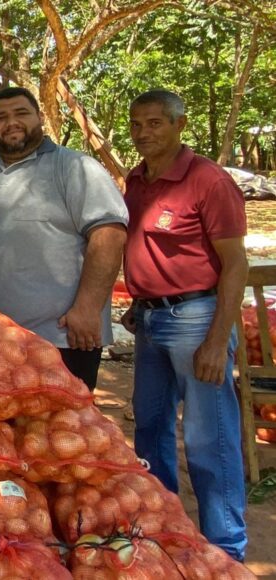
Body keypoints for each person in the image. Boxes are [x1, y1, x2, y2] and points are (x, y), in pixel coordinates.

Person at [120, 90, 247, 560]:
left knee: (207, 436)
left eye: (155, 123)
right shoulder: (136, 180)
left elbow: (236, 265)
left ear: (180, 124)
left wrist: (217, 341)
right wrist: (140, 300)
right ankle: (161, 530)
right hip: (150, 320)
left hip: (197, 319)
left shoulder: (207, 180)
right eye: (136, 124)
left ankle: (226, 549)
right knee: (150, 428)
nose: (144, 133)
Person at [0, 87, 127, 391]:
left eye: (21, 113)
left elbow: (109, 235)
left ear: (40, 117)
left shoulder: (75, 167)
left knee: (62, 433)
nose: (11, 122)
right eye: (0, 117)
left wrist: (87, 308)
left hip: (61, 339)